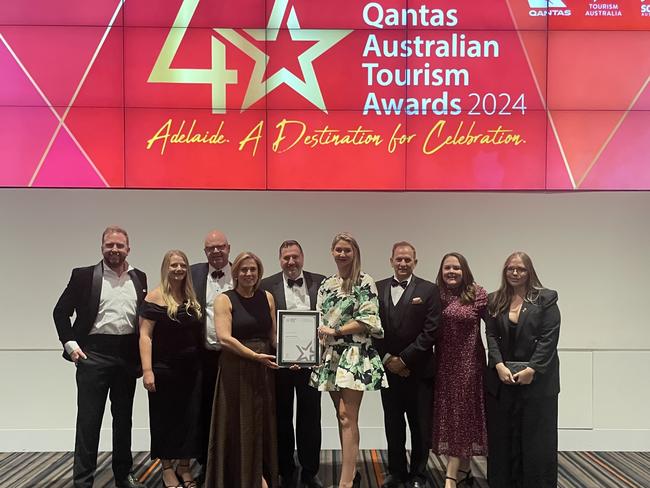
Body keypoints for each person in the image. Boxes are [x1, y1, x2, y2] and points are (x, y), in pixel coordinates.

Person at [53, 226, 147, 488]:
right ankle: (83, 481)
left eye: (120, 245)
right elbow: (60, 312)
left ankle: (123, 475)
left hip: (126, 356)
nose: (114, 250)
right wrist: (71, 345)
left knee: (123, 419)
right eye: (109, 245)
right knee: (88, 422)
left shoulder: (139, 277)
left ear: (129, 248)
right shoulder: (83, 276)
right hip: (92, 354)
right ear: (102, 247)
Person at [310, 232, 387, 488]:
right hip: (331, 356)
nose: (343, 254)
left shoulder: (365, 282)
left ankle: (344, 483)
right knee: (340, 415)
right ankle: (351, 474)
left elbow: (369, 319)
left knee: (347, 416)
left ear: (355, 253)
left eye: (348, 250)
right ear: (332, 252)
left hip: (354, 354)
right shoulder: (326, 284)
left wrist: (337, 331)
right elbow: (318, 320)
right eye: (339, 250)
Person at [485, 252, 561, 488]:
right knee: (503, 434)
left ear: (530, 272)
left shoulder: (545, 298)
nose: (515, 273)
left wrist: (533, 369)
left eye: (521, 269)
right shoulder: (494, 299)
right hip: (503, 377)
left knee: (536, 436)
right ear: (504, 272)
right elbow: (491, 335)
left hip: (538, 381)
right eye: (510, 269)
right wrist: (497, 364)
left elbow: (549, 337)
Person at [205, 252, 279, 488]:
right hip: (236, 368)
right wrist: (255, 356)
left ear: (259, 273)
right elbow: (224, 338)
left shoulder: (267, 297)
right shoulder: (224, 299)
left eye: (253, 270)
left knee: (261, 421)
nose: (248, 274)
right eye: (244, 270)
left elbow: (274, 336)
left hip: (263, 368)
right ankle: (241, 478)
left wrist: (297, 354)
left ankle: (261, 475)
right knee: (238, 422)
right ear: (235, 272)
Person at [374, 242, 441, 488]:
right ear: (391, 260)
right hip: (388, 370)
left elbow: (431, 331)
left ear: (415, 262)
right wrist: (388, 360)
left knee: (420, 426)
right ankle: (396, 472)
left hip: (419, 370)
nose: (403, 264)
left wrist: (404, 359)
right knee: (392, 423)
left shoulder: (430, 290)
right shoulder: (377, 287)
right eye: (398, 259)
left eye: (407, 260)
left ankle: (418, 474)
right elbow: (371, 328)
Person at [260, 240, 325, 488]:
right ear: (280, 260)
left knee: (311, 417)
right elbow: (264, 323)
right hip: (280, 363)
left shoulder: (320, 283)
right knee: (281, 417)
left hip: (312, 364)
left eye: (295, 257)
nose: (291, 262)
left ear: (303, 257)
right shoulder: (267, 285)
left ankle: (310, 470)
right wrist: (283, 352)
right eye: (286, 257)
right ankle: (285, 468)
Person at [139, 250, 203, 488]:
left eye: (182, 265)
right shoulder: (155, 297)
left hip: (192, 370)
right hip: (164, 370)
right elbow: (145, 336)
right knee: (164, 419)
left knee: (190, 419)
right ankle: (167, 469)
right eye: (174, 265)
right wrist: (147, 371)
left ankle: (184, 468)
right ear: (166, 268)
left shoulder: (190, 297)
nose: (178, 269)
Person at [431, 252, 488, 488]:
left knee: (462, 416)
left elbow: (495, 328)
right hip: (443, 364)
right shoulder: (435, 294)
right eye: (447, 268)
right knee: (452, 416)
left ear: (464, 270)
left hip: (469, 365)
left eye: (456, 267)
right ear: (441, 271)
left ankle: (451, 476)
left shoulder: (477, 293)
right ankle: (464, 469)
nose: (451, 272)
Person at [189, 229, 233, 478]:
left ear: (229, 248)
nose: (216, 251)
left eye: (220, 247)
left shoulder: (243, 272)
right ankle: (206, 464)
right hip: (203, 355)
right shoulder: (193, 273)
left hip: (234, 355)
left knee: (233, 410)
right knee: (204, 409)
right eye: (210, 248)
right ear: (205, 251)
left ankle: (234, 461)